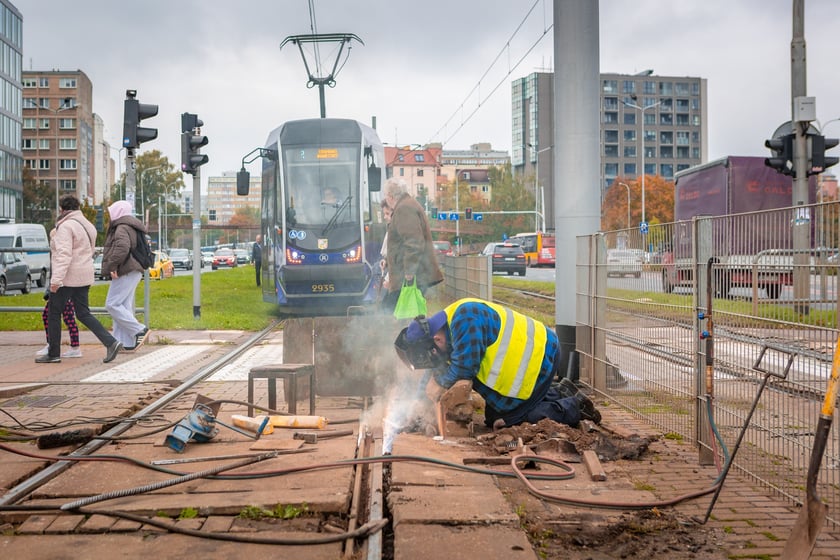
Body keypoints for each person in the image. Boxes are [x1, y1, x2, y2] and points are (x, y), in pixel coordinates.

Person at [394, 298, 601, 430]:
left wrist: (439, 382)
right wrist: (414, 409)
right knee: (492, 417)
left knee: (506, 423)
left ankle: (574, 406)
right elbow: (432, 375)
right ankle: (561, 391)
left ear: (435, 341)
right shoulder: (443, 331)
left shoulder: (464, 319)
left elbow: (464, 369)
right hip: (534, 360)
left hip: (540, 359)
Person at [37, 194, 122, 364]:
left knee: (54, 312)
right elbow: (89, 250)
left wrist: (56, 280)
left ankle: (53, 353)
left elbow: (64, 254)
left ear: (62, 209)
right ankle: (111, 342)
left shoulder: (66, 226)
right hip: (85, 275)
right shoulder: (88, 225)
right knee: (83, 313)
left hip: (68, 277)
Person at [381, 177, 443, 312]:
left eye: (385, 196)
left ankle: (398, 333)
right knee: (400, 313)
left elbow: (414, 243)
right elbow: (402, 243)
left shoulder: (404, 209)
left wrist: (409, 271)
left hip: (410, 275)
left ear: (390, 196)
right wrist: (388, 260)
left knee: (391, 313)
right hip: (411, 273)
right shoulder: (408, 205)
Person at [102, 200, 151, 352]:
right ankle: (124, 343)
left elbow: (123, 247)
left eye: (112, 212)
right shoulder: (132, 226)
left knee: (112, 304)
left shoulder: (122, 227)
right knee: (123, 306)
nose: (110, 216)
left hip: (126, 269)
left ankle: (139, 330)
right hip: (134, 269)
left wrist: (112, 265)